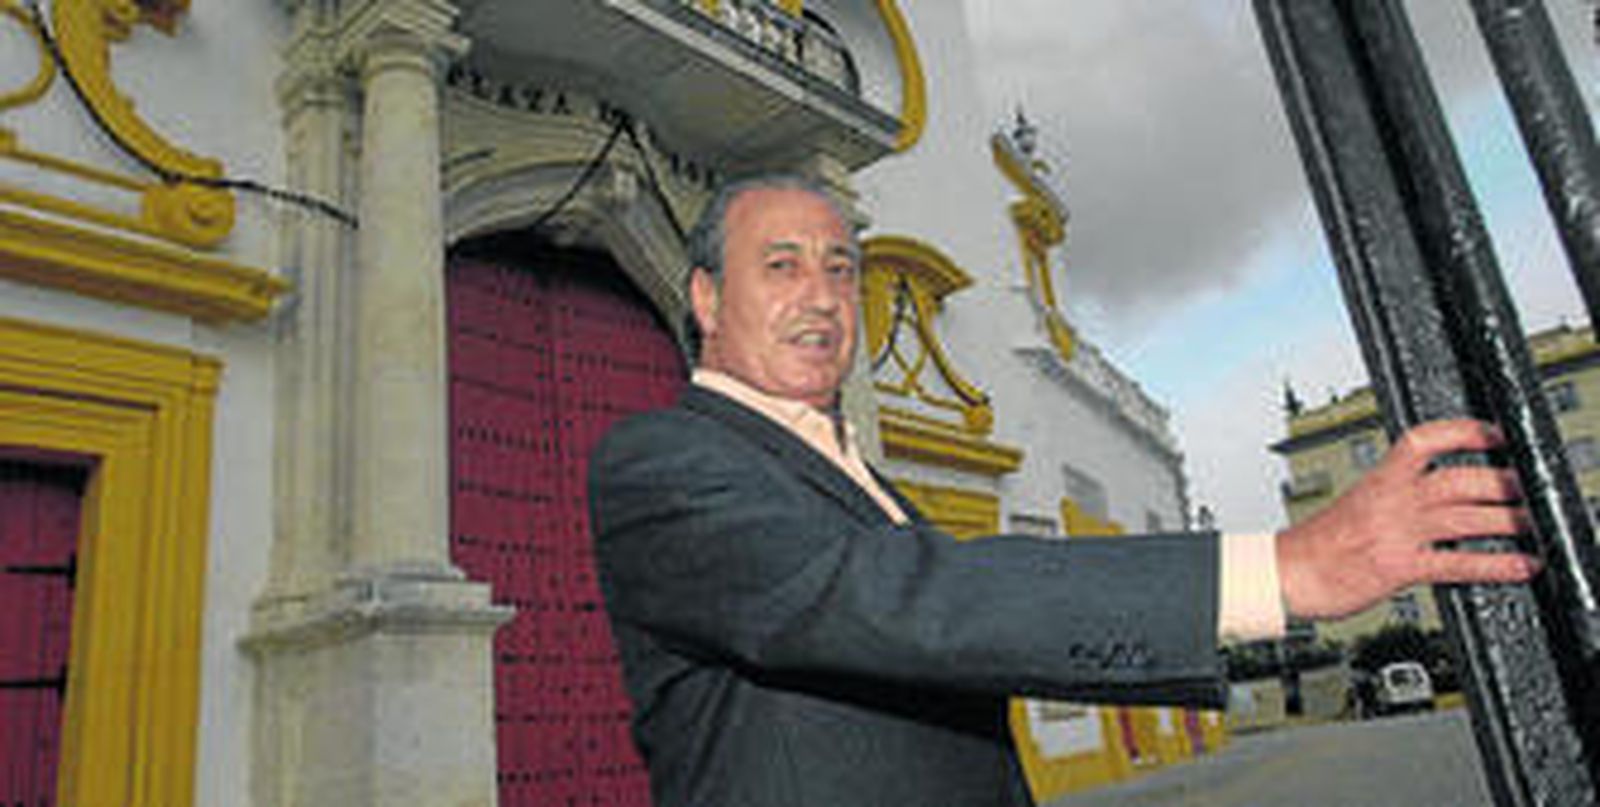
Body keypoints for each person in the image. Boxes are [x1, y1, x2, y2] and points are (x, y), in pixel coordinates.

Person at [587, 175, 1538, 807]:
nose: (824, 293)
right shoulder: (660, 459)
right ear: (707, 298)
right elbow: (913, 596)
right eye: (782, 264)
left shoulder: (862, 477)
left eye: (843, 267)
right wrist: (1285, 567)